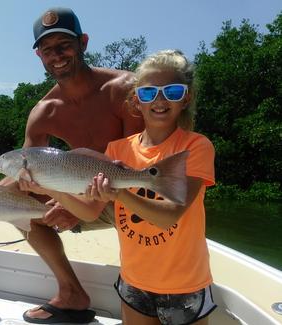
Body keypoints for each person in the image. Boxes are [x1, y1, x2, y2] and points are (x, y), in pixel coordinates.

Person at [0, 7, 144, 324]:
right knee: (22, 207)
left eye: (64, 45)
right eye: (48, 50)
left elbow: (137, 165)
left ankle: (148, 292)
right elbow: (24, 178)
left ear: (83, 43)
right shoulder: (44, 111)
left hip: (130, 193)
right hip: (83, 192)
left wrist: (76, 207)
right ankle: (71, 292)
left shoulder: (123, 89)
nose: (56, 56)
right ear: (39, 56)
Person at [23, 49, 217, 324]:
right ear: (136, 100)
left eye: (171, 92)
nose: (159, 100)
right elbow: (90, 213)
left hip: (184, 284)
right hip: (134, 282)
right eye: (149, 93)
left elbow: (170, 214)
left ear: (186, 97)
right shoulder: (117, 150)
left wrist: (119, 194)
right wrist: (50, 189)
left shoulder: (195, 147)